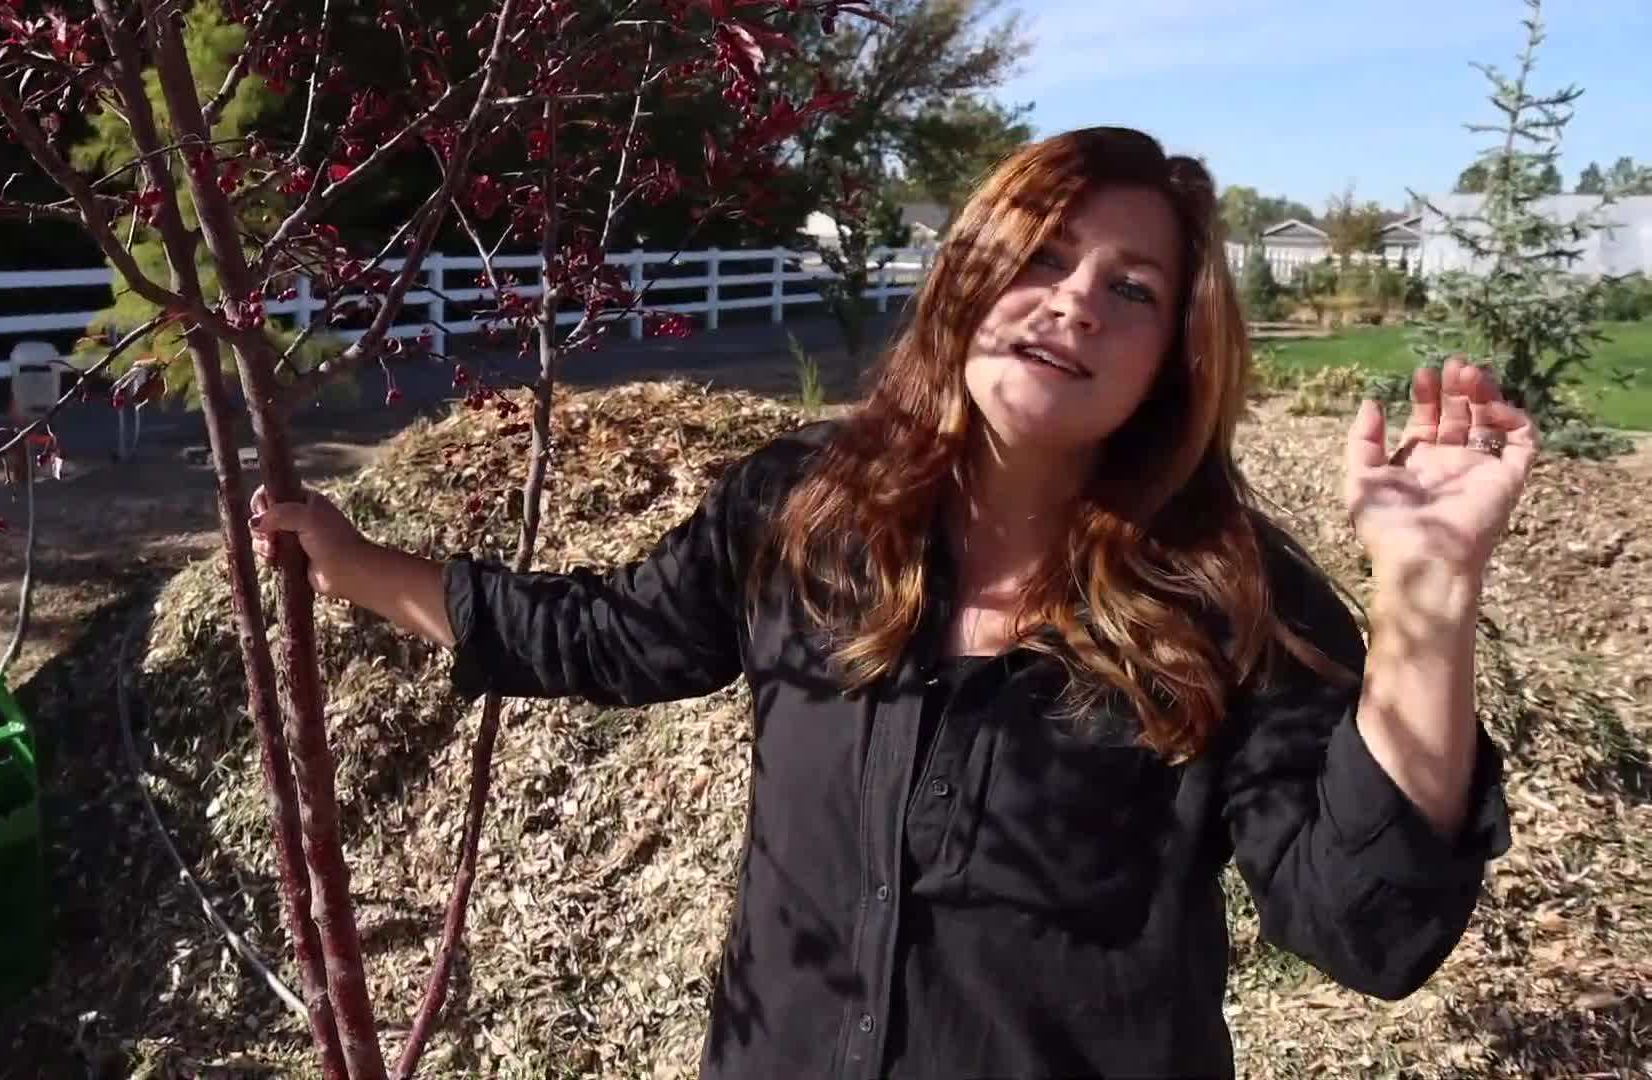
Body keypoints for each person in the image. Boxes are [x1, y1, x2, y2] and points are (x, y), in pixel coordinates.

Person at [250, 126, 1526, 1079]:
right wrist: (355, 564)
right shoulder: (801, 512)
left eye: (1131, 288)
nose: (1074, 298)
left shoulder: (1222, 593)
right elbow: (597, 635)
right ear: (969, 279)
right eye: (1040, 255)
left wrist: (1430, 593)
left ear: (1172, 361)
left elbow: (1366, 926)